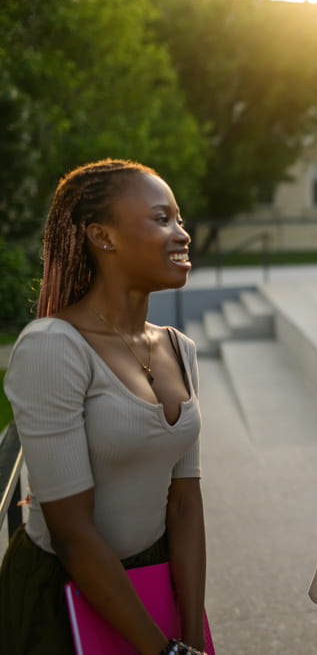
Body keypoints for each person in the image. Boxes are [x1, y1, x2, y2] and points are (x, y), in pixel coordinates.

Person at [0, 160, 207, 655]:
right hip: (63, 596)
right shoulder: (53, 347)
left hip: (155, 580)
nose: (182, 234)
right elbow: (72, 533)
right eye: (161, 219)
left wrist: (194, 636)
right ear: (103, 236)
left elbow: (184, 503)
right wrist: (164, 651)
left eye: (179, 219)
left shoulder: (180, 348)